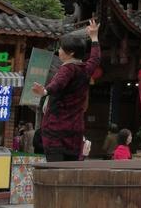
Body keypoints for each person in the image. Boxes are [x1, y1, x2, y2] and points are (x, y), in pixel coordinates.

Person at [32, 19, 101, 162]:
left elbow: (58, 83)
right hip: (75, 130)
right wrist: (94, 38)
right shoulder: (85, 69)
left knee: (55, 170)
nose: (59, 51)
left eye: (61, 49)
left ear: (71, 53)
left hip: (56, 130)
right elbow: (95, 58)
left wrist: (45, 91)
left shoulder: (68, 68)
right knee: (69, 169)